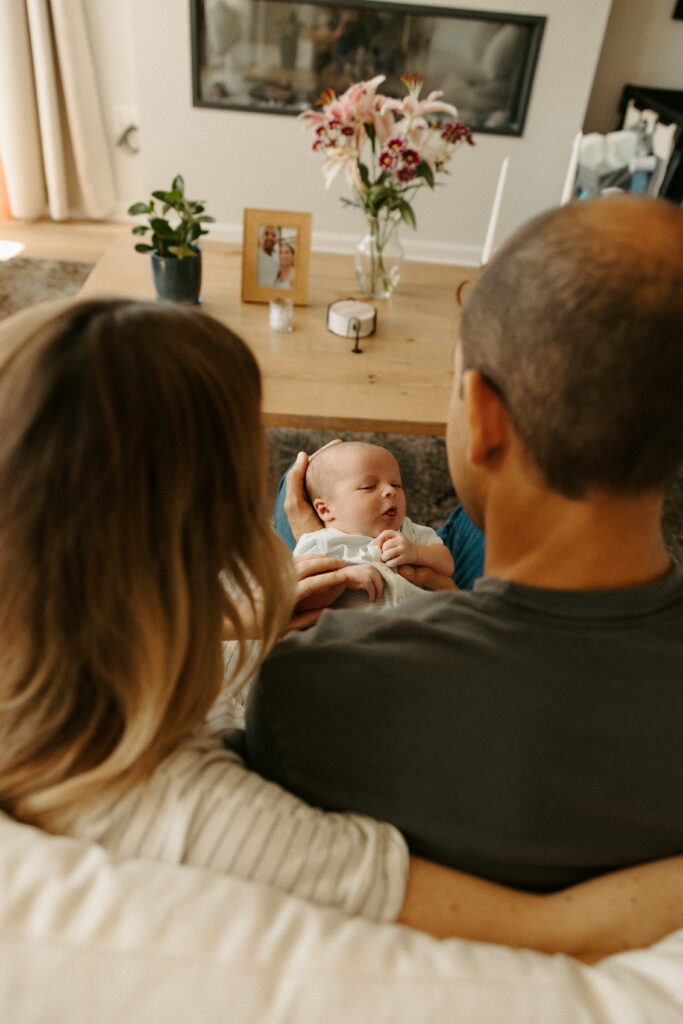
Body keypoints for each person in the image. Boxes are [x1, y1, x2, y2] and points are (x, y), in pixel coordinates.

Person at [0, 296, 681, 963]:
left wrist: (249, 602)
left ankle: (316, 535)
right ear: (205, 527)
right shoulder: (206, 809)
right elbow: (552, 932)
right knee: (478, 519)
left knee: (381, 522)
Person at [245, 194, 683, 893]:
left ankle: (314, 536)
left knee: (296, 504)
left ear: (481, 415)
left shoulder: (312, 687)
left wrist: (312, 546)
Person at [295, 440, 454, 608]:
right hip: (356, 632)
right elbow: (301, 602)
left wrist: (417, 552)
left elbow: (447, 566)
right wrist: (342, 579)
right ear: (325, 509)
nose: (390, 491)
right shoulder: (319, 544)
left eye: (396, 485)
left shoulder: (410, 532)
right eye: (368, 487)